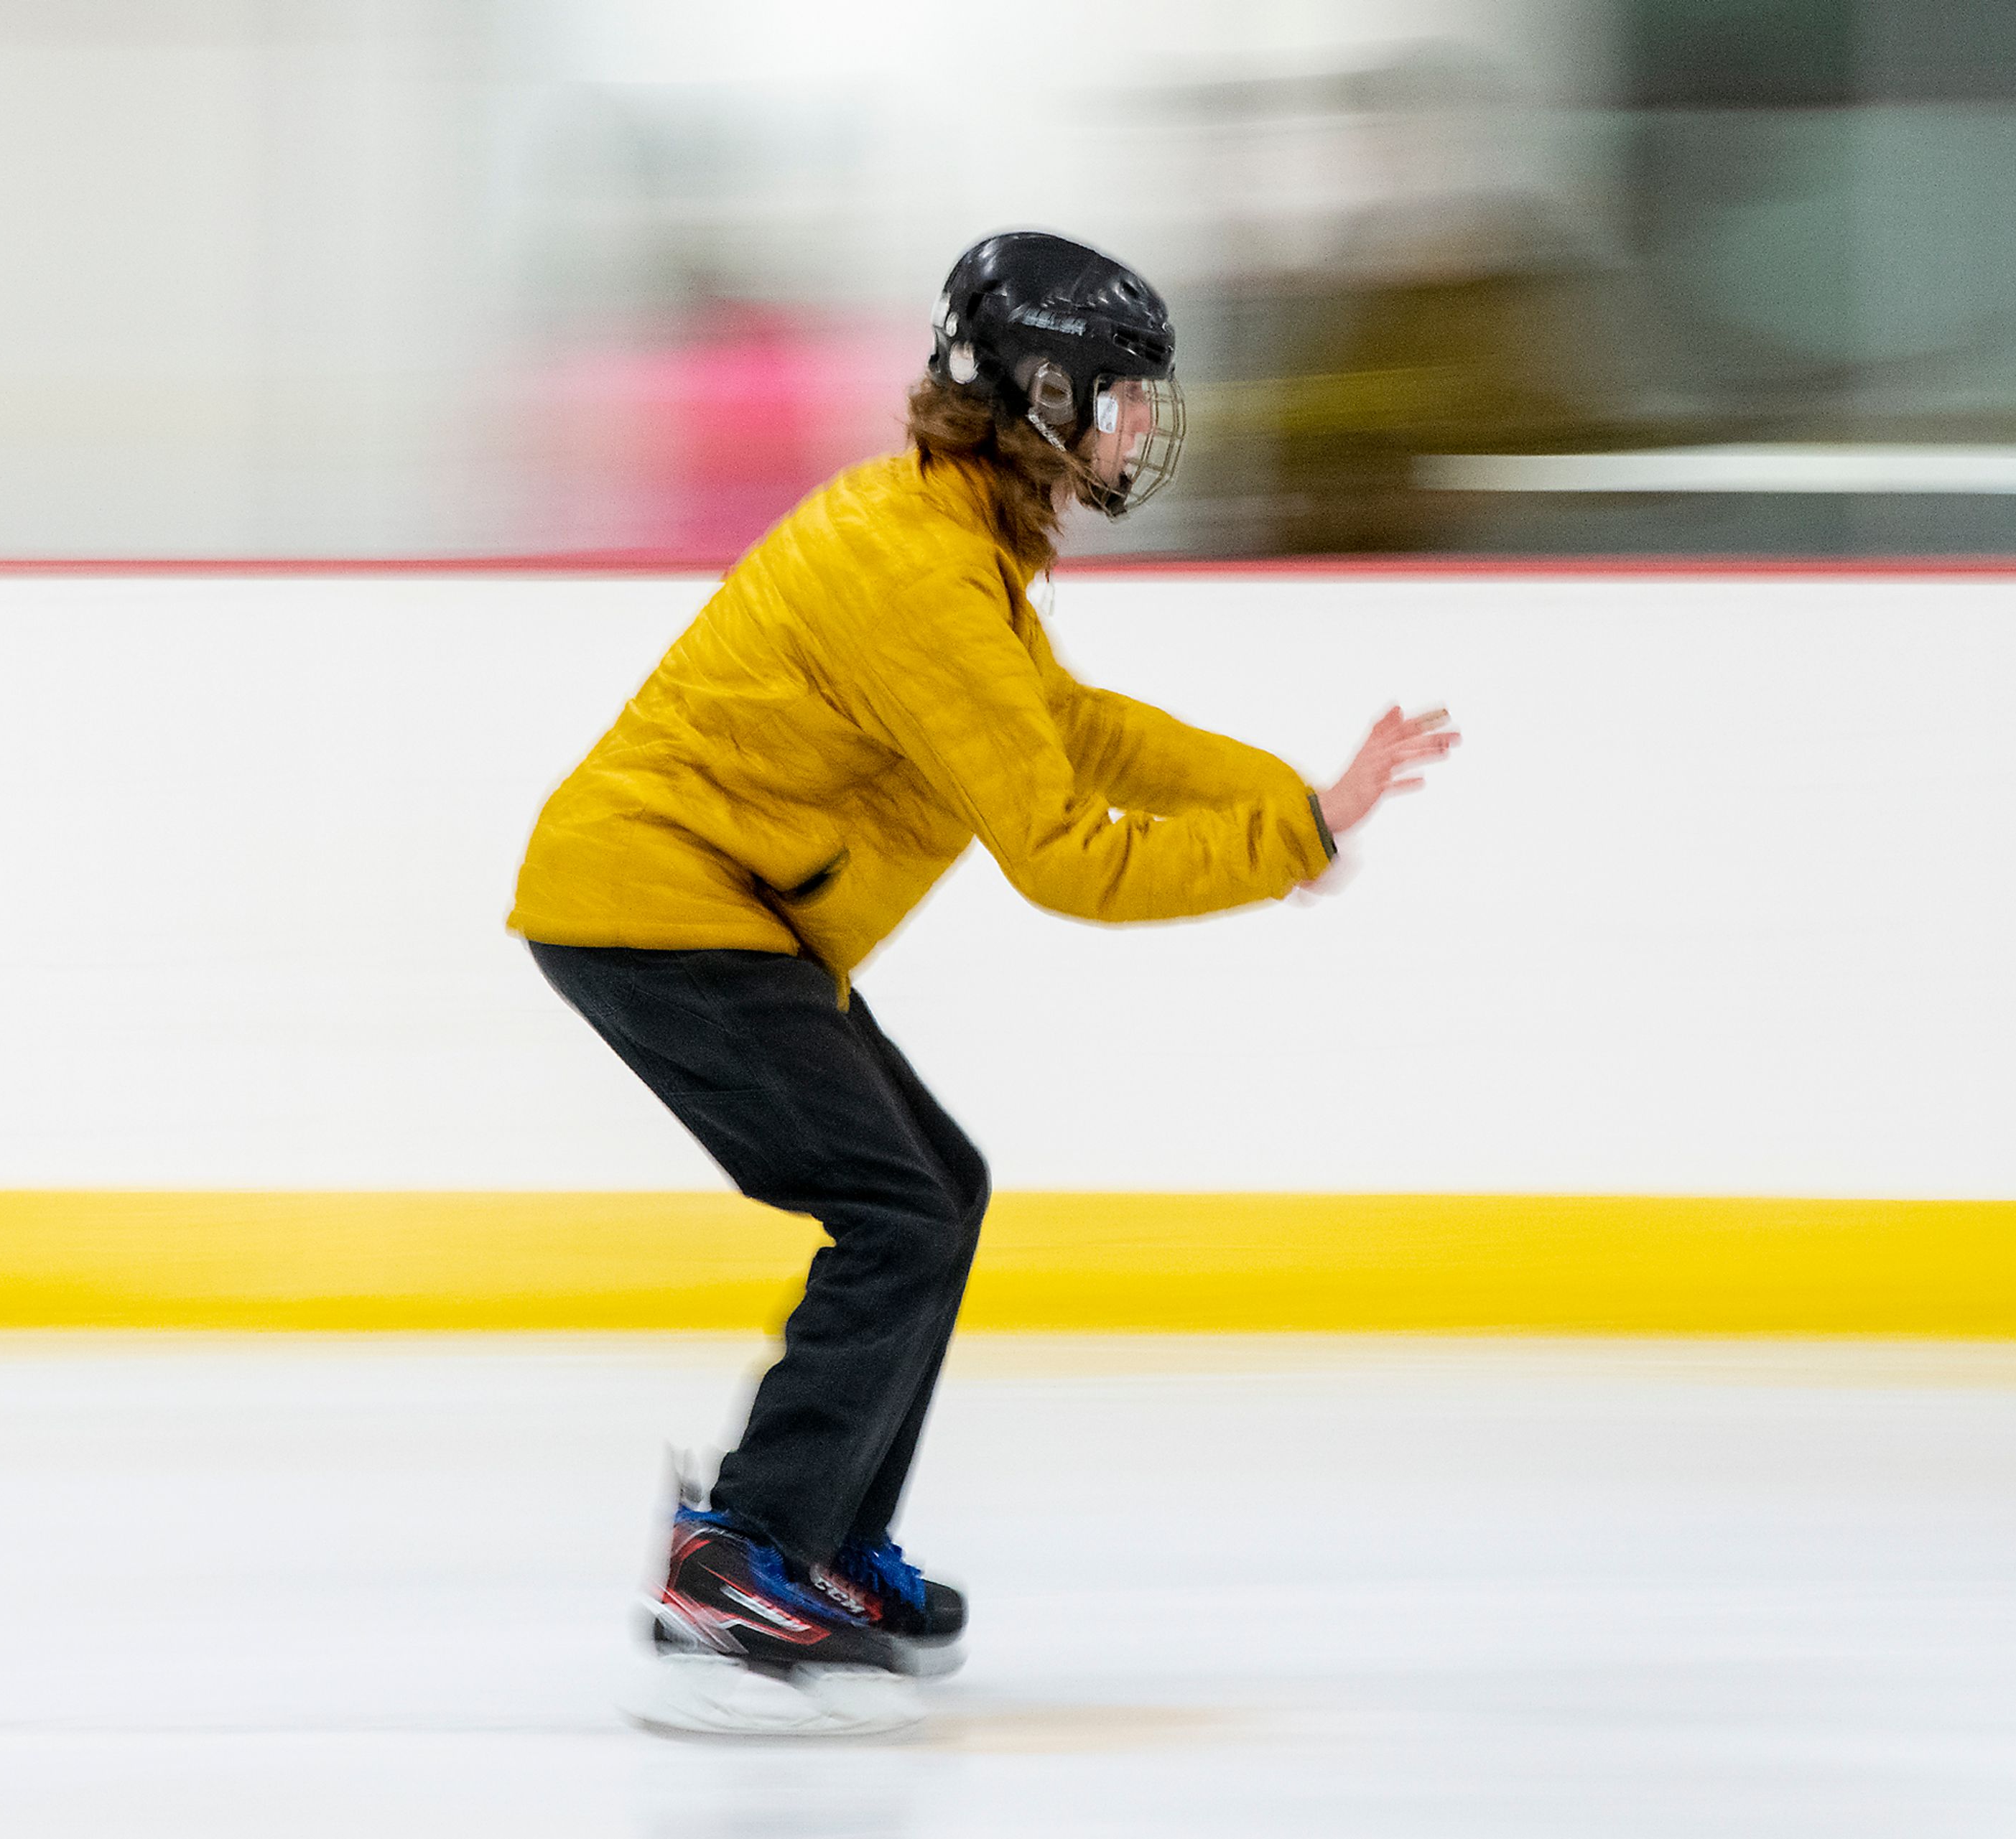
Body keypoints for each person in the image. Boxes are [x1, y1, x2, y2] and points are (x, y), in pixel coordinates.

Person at [509, 231, 1458, 1734]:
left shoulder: (954, 539)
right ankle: (738, 1559)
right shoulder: (924, 574)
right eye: (1123, 397)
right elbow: (1069, 856)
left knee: (934, 1186)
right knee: (895, 1210)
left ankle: (811, 1541)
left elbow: (1065, 724)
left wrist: (1289, 800)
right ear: (1037, 396)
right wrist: (1290, 838)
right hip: (660, 911)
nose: (1143, 427)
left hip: (714, 909)